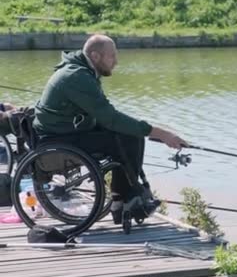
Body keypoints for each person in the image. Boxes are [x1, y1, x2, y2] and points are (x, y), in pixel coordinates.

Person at [33, 34, 188, 223]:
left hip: (66, 131)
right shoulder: (77, 76)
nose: (116, 62)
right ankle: (124, 200)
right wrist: (162, 134)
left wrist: (141, 129)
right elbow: (110, 118)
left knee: (129, 134)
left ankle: (124, 199)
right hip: (57, 139)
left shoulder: (83, 71)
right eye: (112, 56)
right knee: (127, 137)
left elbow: (106, 117)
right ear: (96, 56)